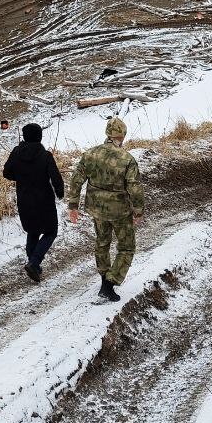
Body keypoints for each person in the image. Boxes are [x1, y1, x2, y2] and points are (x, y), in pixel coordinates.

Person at [68, 116, 144, 303]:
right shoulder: (127, 160)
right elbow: (134, 187)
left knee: (102, 242)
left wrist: (73, 205)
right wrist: (138, 210)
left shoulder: (90, 154)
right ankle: (109, 283)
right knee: (126, 247)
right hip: (120, 211)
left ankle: (104, 277)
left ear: (107, 134)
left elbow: (76, 180)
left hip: (97, 209)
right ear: (122, 136)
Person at [2, 122, 64, 282]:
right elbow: (55, 177)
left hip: (24, 199)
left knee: (33, 231)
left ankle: (33, 265)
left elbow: (7, 172)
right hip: (44, 200)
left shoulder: (16, 153)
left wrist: (22, 178)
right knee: (51, 232)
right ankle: (34, 262)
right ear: (39, 137)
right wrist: (60, 191)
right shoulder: (45, 156)